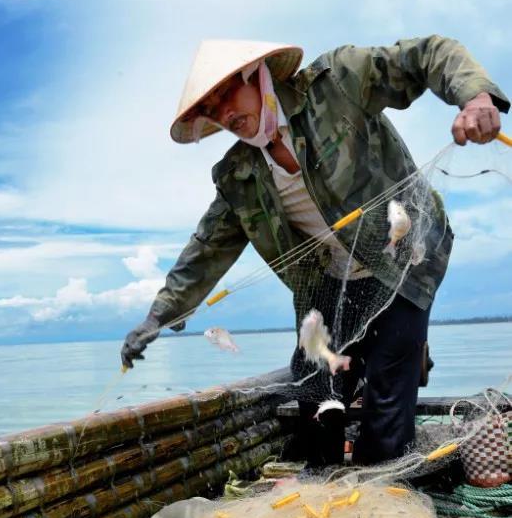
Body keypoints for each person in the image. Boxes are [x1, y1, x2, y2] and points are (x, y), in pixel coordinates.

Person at [121, 37, 509, 466]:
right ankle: (320, 486)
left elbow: (427, 55)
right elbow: (205, 249)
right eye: (211, 109)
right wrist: (158, 317)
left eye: (227, 93)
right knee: (313, 389)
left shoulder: (338, 82)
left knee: (386, 400)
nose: (225, 113)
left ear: (258, 74)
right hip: (329, 282)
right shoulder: (238, 174)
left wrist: (476, 97)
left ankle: (386, 463)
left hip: (405, 263)